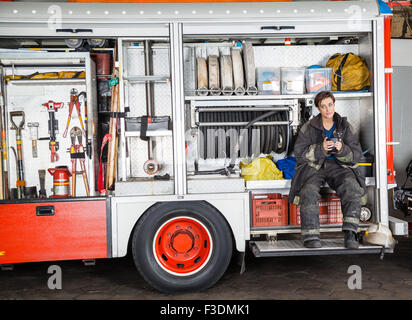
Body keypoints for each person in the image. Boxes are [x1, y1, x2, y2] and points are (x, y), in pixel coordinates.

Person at [289, 91, 367, 249]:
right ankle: (311, 237)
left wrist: (342, 149)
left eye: (330, 105)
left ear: (334, 104)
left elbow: (356, 154)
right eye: (323, 106)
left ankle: (350, 234)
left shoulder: (345, 126)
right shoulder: (309, 127)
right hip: (315, 167)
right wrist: (320, 148)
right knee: (308, 191)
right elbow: (299, 153)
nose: (327, 109)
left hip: (339, 167)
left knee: (352, 188)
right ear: (318, 108)